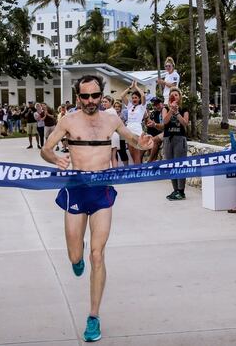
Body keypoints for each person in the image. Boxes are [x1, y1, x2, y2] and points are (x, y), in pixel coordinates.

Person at [41, 75, 153, 343]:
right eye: (85, 96)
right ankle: (76, 259)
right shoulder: (68, 120)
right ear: (78, 96)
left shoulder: (112, 119)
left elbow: (133, 139)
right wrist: (55, 157)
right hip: (76, 189)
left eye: (94, 96)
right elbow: (46, 149)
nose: (90, 101)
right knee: (75, 254)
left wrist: (144, 143)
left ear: (101, 95)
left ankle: (93, 316)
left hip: (102, 190)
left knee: (97, 255)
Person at [163, 88, 190, 200]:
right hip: (168, 138)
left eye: (176, 95)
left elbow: (185, 123)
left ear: (179, 97)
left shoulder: (184, 109)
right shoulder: (165, 108)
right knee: (171, 165)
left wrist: (177, 112)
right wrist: (171, 110)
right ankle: (175, 190)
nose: (174, 96)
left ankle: (181, 191)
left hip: (180, 138)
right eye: (172, 95)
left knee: (180, 164)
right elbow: (165, 121)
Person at [119, 80, 148, 165]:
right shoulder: (130, 106)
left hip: (137, 130)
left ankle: (138, 173)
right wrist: (130, 87)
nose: (134, 99)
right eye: (133, 97)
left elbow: (143, 95)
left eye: (136, 98)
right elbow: (122, 95)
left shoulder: (142, 107)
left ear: (139, 99)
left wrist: (136, 87)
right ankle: (136, 171)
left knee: (137, 154)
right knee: (131, 153)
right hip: (129, 130)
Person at [145, 96, 164, 162]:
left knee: (153, 141)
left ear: (162, 103)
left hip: (159, 133)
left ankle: (149, 161)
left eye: (158, 104)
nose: (156, 106)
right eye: (154, 105)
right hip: (152, 133)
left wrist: (154, 124)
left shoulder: (163, 111)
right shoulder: (154, 113)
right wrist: (147, 118)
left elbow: (161, 126)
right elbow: (148, 123)